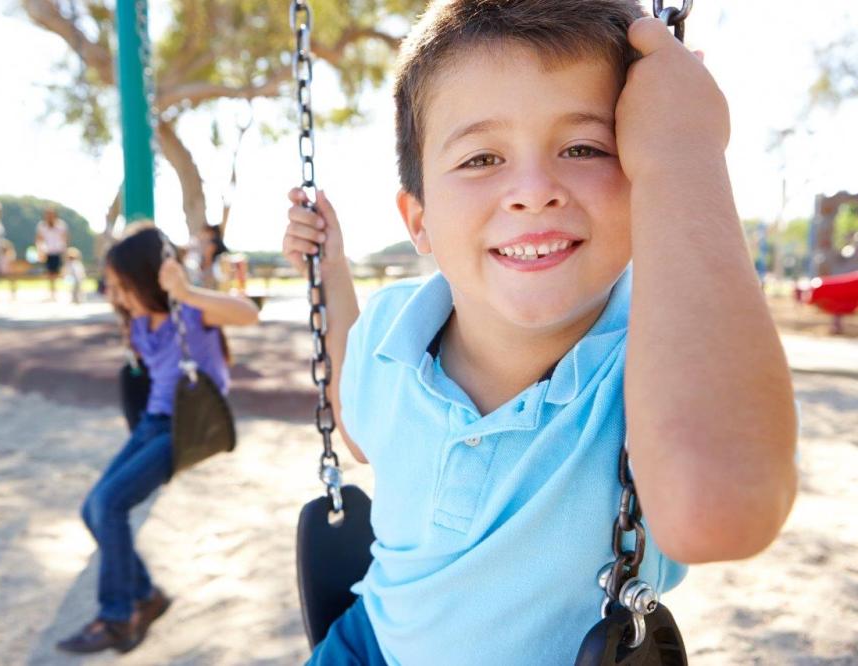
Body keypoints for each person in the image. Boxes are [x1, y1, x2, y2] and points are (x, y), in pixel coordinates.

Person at [281, 1, 798, 664]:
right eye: (481, 158)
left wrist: (685, 153)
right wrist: (330, 272)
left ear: (645, 178)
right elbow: (360, 425)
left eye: (584, 148)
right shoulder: (391, 329)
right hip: (367, 646)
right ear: (420, 221)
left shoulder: (663, 365)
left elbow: (722, 507)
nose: (533, 190)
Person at [56, 223, 260, 654]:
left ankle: (117, 618)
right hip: (153, 423)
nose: (113, 294)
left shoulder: (190, 313)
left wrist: (185, 291)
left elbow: (248, 313)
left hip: (186, 428)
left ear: (146, 279)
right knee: (94, 509)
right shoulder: (139, 321)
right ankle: (147, 596)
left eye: (120, 285)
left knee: (110, 504)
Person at [36, 207, 70, 300]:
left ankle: (55, 291)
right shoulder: (42, 226)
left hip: (58, 251)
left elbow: (65, 238)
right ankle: (52, 292)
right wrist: (40, 251)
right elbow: (39, 239)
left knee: (57, 272)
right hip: (47, 252)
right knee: (49, 272)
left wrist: (65, 251)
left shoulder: (61, 225)